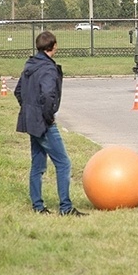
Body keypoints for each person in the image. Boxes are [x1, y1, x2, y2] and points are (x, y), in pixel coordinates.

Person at [15, 31, 85, 216]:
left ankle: (37, 206)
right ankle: (66, 207)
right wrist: (47, 116)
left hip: (31, 121)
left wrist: (29, 109)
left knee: (38, 165)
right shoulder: (48, 68)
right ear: (53, 46)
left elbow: (18, 91)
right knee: (63, 163)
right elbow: (47, 95)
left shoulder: (30, 64)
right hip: (43, 123)